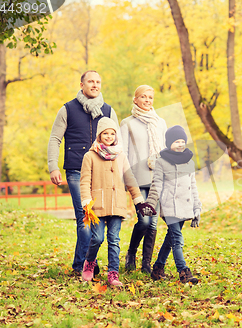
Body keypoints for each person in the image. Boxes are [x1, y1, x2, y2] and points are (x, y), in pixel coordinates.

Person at [47, 70, 120, 275]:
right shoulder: (67, 109)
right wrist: (53, 165)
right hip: (76, 171)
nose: (95, 85)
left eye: (98, 81)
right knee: (85, 217)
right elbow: (55, 139)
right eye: (90, 81)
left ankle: (88, 262)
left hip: (103, 172)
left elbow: (118, 142)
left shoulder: (108, 111)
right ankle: (81, 265)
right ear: (82, 84)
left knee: (98, 218)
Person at [79, 117, 155, 286]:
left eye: (112, 133)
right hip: (97, 205)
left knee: (114, 239)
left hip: (117, 204)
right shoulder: (89, 156)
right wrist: (86, 201)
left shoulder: (121, 156)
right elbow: (84, 181)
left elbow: (130, 179)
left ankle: (113, 273)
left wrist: (139, 201)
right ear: (99, 135)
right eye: (105, 133)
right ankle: (89, 262)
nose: (109, 136)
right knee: (97, 238)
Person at [143, 125, 201, 284]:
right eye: (176, 141)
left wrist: (197, 208)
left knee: (170, 238)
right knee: (177, 238)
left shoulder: (189, 162)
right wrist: (151, 204)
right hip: (170, 206)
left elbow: (193, 187)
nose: (180, 144)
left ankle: (158, 268)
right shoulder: (161, 162)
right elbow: (156, 185)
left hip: (185, 206)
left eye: (183, 141)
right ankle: (183, 271)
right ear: (169, 143)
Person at [120, 85, 168, 274]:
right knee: (145, 222)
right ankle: (131, 252)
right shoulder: (127, 123)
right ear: (135, 99)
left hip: (157, 178)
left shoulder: (160, 122)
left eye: (150, 97)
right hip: (137, 179)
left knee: (154, 223)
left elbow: (165, 150)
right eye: (143, 97)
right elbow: (122, 153)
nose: (147, 100)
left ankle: (146, 265)